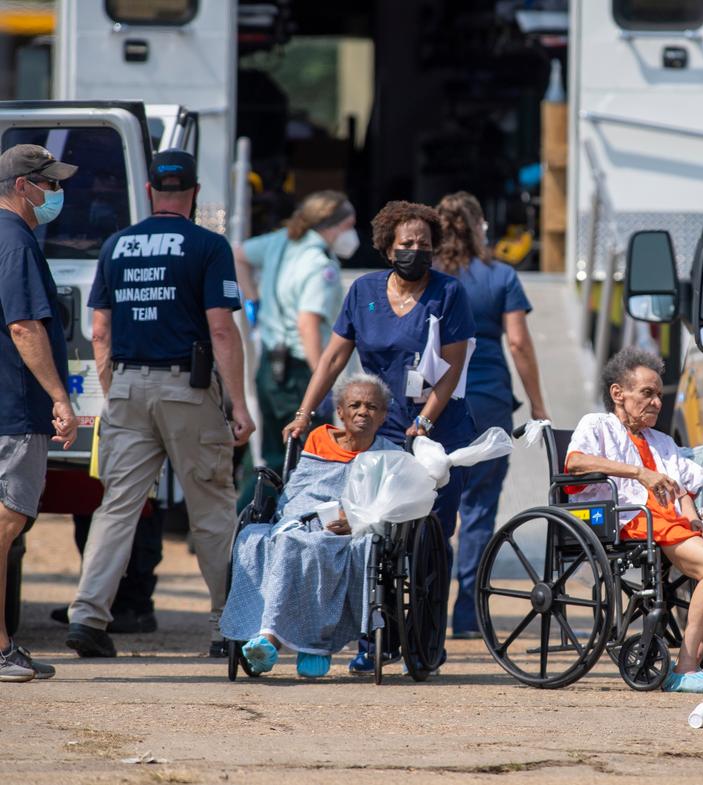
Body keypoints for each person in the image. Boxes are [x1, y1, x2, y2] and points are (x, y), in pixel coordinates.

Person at [67, 149, 255, 659]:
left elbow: (99, 331)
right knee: (211, 508)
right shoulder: (208, 245)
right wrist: (239, 404)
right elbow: (221, 328)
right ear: (193, 194)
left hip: (126, 389)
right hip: (186, 390)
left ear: (149, 192)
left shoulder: (116, 246)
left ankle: (88, 616)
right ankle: (228, 626)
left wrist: (114, 388)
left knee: (116, 508)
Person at [284, 200, 476, 674]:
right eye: (406, 244)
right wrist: (304, 413)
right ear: (388, 246)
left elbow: (451, 369)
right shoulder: (363, 291)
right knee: (372, 530)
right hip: (382, 430)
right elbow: (332, 359)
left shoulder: (448, 293)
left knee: (431, 535)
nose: (415, 251)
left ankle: (426, 637)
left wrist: (426, 421)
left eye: (424, 245)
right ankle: (379, 633)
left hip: (438, 430)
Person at [564, 346, 703, 694]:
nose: (656, 402)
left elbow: (683, 486)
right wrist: (639, 473)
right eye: (646, 394)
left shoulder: (662, 441)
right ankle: (685, 666)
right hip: (632, 517)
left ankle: (690, 657)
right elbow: (575, 464)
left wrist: (693, 514)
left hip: (673, 521)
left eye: (657, 395)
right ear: (618, 394)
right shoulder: (597, 425)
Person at [222, 374, 399, 678]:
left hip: (352, 529)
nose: (362, 412)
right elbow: (301, 489)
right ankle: (278, 639)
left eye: (372, 406)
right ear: (340, 412)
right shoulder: (319, 438)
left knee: (312, 546)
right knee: (259, 538)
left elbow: (391, 504)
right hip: (302, 518)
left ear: (383, 415)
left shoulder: (392, 454)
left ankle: (292, 642)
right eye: (354, 405)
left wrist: (356, 519)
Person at [434, 191, 548, 639]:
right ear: (480, 226)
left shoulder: (430, 277)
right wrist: (538, 403)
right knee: (479, 507)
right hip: (489, 400)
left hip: (436, 402)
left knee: (431, 507)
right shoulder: (500, 275)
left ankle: (425, 608)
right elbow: (518, 343)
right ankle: (466, 614)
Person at [0, 144, 80, 682]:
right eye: (49, 184)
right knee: (6, 523)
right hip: (12, 407)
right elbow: (25, 326)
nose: (57, 193)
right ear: (24, 186)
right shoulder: (16, 241)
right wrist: (59, 396)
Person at [233, 191, 356, 507]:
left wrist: (254, 301)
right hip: (299, 372)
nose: (353, 235)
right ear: (332, 226)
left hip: (269, 369)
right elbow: (308, 324)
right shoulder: (319, 264)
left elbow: (238, 254)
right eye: (349, 225)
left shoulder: (279, 242)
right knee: (301, 461)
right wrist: (322, 380)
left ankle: (238, 528)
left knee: (274, 454)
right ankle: (237, 525)